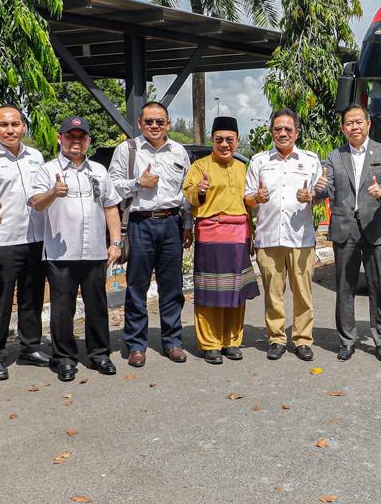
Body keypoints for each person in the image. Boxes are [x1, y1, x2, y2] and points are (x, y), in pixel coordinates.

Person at [29, 117, 122, 382]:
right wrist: (52, 192)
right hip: (61, 254)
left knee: (97, 306)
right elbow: (36, 203)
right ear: (60, 138)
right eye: (71, 136)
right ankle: (65, 359)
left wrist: (115, 242)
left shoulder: (99, 171)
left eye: (82, 137)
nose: (76, 141)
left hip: (94, 251)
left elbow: (110, 207)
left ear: (88, 141)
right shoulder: (47, 170)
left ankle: (99, 354)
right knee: (62, 310)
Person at [0, 105, 50, 381]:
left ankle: (30, 347)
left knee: (32, 296)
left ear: (23, 127)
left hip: (36, 238)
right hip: (3, 240)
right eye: (3, 125)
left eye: (15, 124)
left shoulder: (36, 156)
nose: (10, 130)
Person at [109, 101, 192, 367]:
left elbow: (187, 192)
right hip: (140, 223)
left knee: (172, 287)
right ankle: (136, 345)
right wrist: (138, 183)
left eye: (160, 121)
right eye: (149, 121)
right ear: (140, 123)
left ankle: (173, 341)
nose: (154, 126)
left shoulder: (178, 151)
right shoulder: (127, 150)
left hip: (171, 223)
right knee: (137, 287)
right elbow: (111, 187)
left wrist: (187, 224)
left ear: (168, 124)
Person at [318, 105, 381, 362]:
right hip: (345, 229)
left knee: (379, 287)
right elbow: (327, 188)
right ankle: (346, 340)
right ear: (343, 128)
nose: (354, 127)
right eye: (348, 123)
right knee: (345, 288)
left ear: (368, 123)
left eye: (358, 122)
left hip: (376, 227)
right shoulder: (335, 156)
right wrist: (319, 188)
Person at [244, 109, 325, 362]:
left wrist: (311, 196)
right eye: (278, 129)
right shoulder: (259, 161)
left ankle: (302, 339)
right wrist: (257, 197)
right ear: (271, 132)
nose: (282, 133)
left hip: (301, 238)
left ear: (297, 133)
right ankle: (276, 339)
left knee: (303, 292)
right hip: (268, 237)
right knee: (273, 293)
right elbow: (247, 198)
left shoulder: (310, 160)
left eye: (288, 129)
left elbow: (321, 193)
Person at [184, 116, 260, 364]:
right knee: (210, 291)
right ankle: (210, 343)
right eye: (219, 140)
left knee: (235, 291)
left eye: (229, 139)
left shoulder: (242, 168)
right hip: (211, 235)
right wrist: (200, 190)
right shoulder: (199, 166)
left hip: (238, 236)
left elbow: (248, 205)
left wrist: (251, 234)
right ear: (212, 140)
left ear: (237, 140)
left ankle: (232, 341)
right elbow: (188, 195)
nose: (224, 144)